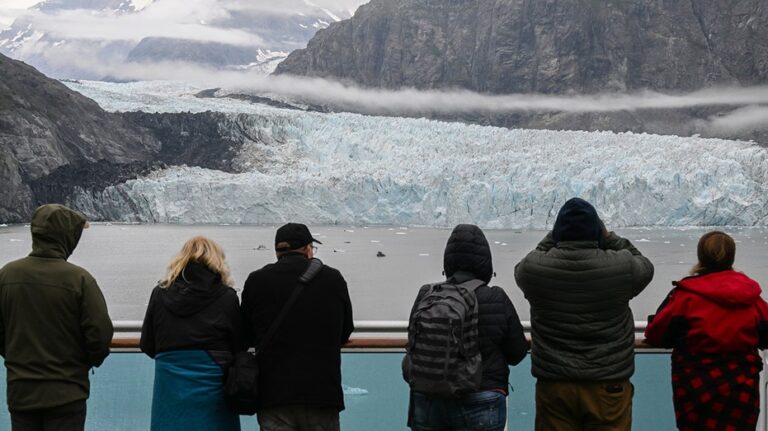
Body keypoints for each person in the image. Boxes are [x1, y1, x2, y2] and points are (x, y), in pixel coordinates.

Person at [515, 197, 654, 431]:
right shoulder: (622, 266)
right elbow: (644, 264)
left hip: (555, 387)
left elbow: (529, 260)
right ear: (597, 231)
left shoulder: (534, 270)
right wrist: (609, 237)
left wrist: (553, 236)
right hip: (608, 386)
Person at [0, 204, 113, 431]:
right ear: (66, 237)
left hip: (21, 391)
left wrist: (14, 354)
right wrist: (84, 362)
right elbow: (100, 333)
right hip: (67, 393)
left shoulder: (7, 275)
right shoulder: (79, 280)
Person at [404, 224, 528, 431]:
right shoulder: (495, 297)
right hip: (482, 397)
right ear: (485, 261)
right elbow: (516, 353)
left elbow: (413, 341)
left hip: (428, 398)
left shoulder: (426, 295)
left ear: (448, 260)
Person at [644, 231, 768, 431]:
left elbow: (657, 333)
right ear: (731, 257)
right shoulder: (752, 298)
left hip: (695, 388)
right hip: (741, 389)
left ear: (701, 256)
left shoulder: (685, 296)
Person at [241, 223, 354, 431]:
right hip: (322, 394)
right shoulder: (333, 279)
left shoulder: (256, 280)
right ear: (307, 249)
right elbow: (346, 329)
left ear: (277, 252)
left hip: (274, 395)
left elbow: (246, 335)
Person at [140, 236, 243, 431]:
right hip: (214, 387)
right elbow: (239, 344)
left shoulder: (160, 293)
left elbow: (147, 344)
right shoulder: (226, 297)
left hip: (170, 385)